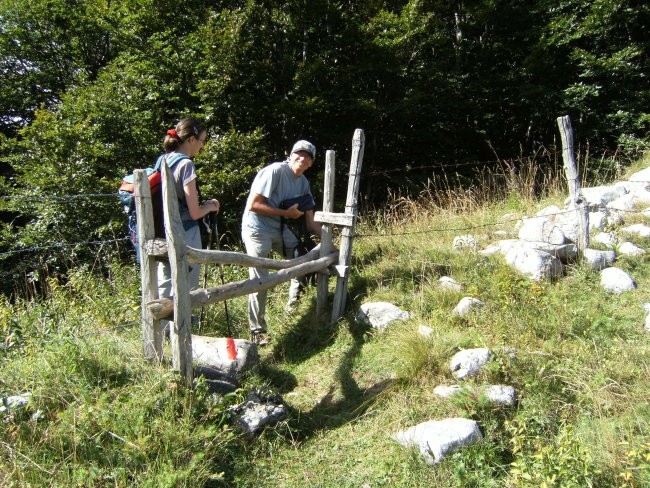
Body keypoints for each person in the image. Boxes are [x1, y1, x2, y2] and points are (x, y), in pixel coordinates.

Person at [241, 140, 322, 345]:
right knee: (260, 279)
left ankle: (292, 314)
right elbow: (254, 205)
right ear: (291, 154)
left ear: (311, 163)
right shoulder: (275, 171)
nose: (302, 159)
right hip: (256, 229)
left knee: (302, 263)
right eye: (299, 154)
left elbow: (311, 223)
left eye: (308, 157)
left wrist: (331, 245)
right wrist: (286, 213)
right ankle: (257, 330)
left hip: (278, 228)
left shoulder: (303, 183)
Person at [157, 117, 220, 328]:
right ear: (191, 139)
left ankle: (162, 330)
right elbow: (194, 212)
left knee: (166, 282)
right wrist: (210, 206)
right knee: (187, 285)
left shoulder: (163, 160)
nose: (202, 145)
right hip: (185, 232)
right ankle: (185, 332)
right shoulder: (186, 164)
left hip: (163, 230)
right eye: (202, 140)